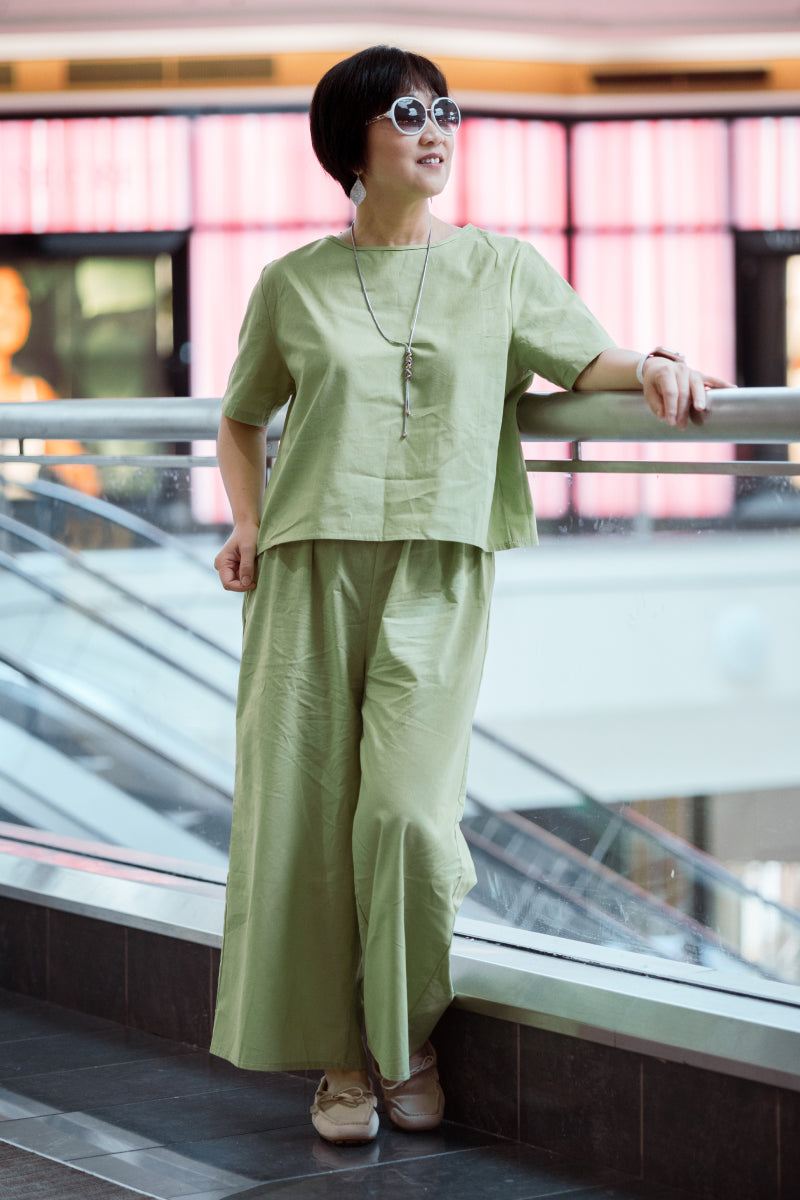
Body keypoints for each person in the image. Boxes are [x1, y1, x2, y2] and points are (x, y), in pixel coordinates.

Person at [208, 44, 734, 1147]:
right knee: (305, 823)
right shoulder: (290, 282)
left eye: (445, 109)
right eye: (407, 112)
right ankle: (343, 1063)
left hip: (440, 567)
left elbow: (582, 359)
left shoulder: (498, 267)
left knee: (403, 817)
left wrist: (655, 363)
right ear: (351, 138)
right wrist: (251, 524)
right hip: (307, 571)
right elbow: (241, 416)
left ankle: (405, 1038)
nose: (435, 127)